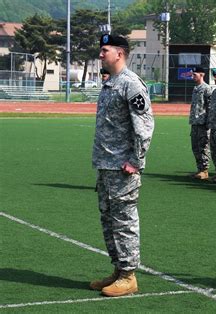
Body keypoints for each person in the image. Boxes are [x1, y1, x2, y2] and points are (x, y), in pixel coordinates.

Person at [90, 34, 155, 297]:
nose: (100, 55)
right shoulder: (110, 84)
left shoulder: (131, 84)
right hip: (106, 166)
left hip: (122, 168)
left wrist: (136, 161)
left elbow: (145, 126)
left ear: (120, 53)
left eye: (105, 50)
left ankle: (129, 275)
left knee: (124, 220)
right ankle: (118, 270)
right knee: (109, 220)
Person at [189, 67, 212, 180]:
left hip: (203, 123)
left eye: (195, 74)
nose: (193, 76)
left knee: (203, 147)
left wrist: (208, 123)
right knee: (195, 147)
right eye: (192, 75)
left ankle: (205, 170)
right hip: (195, 122)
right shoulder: (196, 88)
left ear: (202, 74)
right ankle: (199, 169)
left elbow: (210, 107)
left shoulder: (207, 88)